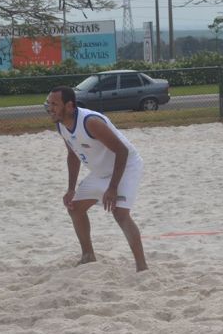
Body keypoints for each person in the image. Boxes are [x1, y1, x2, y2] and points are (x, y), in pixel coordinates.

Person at [45, 86, 148, 272]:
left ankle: (142, 267)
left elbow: (122, 151)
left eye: (54, 104)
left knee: (120, 214)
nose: (50, 108)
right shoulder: (61, 124)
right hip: (101, 171)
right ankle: (88, 256)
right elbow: (73, 154)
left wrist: (112, 188)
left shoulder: (90, 122)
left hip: (125, 167)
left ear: (69, 106)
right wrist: (71, 189)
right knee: (75, 208)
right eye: (48, 103)